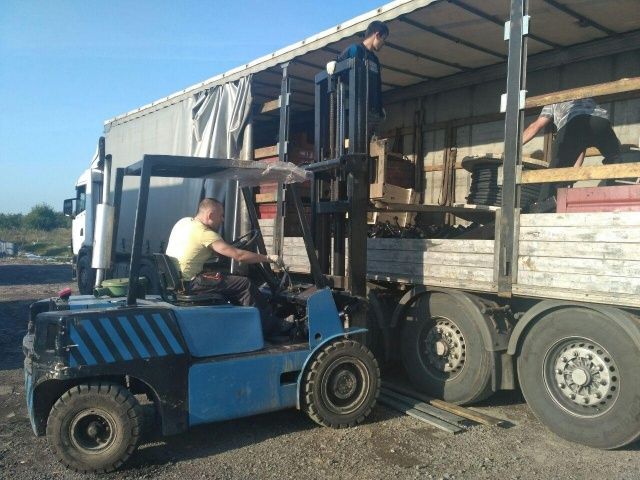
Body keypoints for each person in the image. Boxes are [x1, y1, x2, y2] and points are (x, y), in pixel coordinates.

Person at [165, 198, 288, 335]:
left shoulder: (184, 222)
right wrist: (268, 258)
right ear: (210, 215)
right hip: (191, 283)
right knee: (244, 284)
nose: (222, 220)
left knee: (231, 279)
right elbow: (239, 256)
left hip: (179, 281)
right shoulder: (205, 234)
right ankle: (271, 329)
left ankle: (244, 322)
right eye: (221, 215)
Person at [522, 98, 621, 169]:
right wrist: (574, 173)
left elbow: (535, 126)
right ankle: (615, 187)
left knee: (555, 172)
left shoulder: (553, 100)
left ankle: (547, 192)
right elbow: (580, 143)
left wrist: (515, 147)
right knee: (614, 158)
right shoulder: (585, 97)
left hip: (574, 122)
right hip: (602, 121)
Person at [337, 20, 389, 138]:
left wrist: (379, 106)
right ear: (377, 35)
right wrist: (332, 64)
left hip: (372, 112)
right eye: (383, 39)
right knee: (357, 140)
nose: (383, 43)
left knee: (370, 143)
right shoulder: (355, 50)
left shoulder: (375, 60)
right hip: (356, 109)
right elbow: (338, 63)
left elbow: (377, 86)